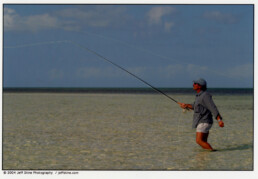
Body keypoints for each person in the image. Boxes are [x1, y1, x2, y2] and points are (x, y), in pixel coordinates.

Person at [178, 78, 224, 151]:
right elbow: (195, 106)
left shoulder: (205, 95)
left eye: (195, 84)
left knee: (198, 141)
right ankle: (209, 157)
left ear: (200, 86)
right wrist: (186, 105)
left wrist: (219, 120)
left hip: (204, 121)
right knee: (203, 141)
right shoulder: (199, 96)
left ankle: (214, 152)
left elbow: (213, 108)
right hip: (203, 121)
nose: (193, 85)